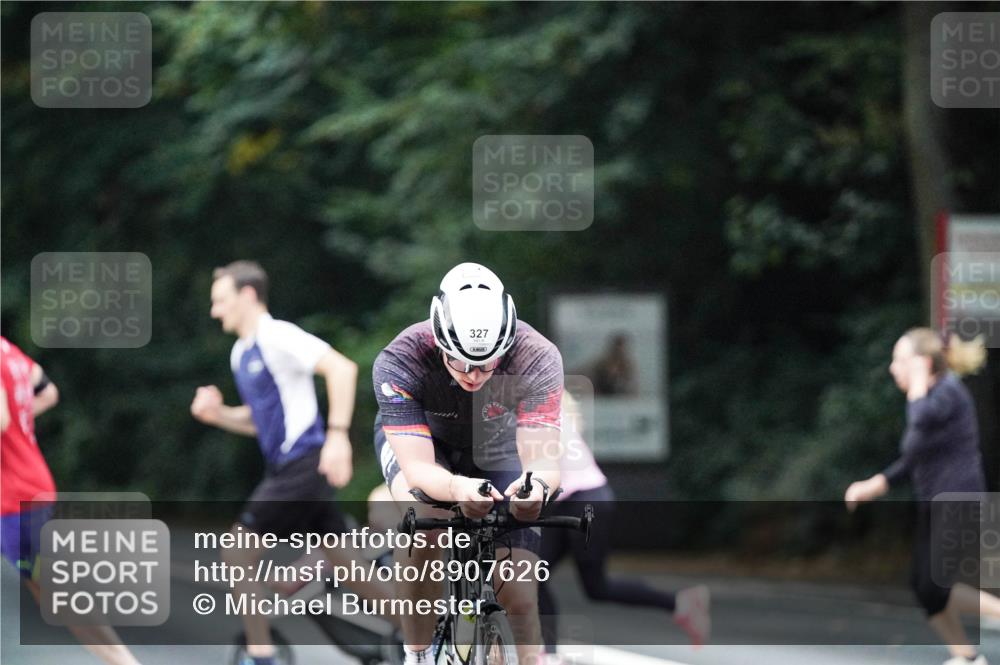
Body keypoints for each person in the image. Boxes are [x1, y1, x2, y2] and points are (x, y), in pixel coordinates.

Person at [190, 260, 390, 665]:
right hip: (286, 467)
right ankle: (422, 634)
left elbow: (341, 369)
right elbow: (259, 421)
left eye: (220, 301)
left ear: (248, 295)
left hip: (304, 463)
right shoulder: (241, 353)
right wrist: (219, 415)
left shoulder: (276, 336)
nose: (215, 311)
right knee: (348, 567)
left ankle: (261, 655)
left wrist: (337, 437)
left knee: (235, 552)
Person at [373, 262, 563, 665]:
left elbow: (543, 457)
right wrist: (458, 489)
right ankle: (418, 654)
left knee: (520, 593)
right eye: (459, 362)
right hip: (425, 441)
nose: (473, 375)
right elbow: (420, 471)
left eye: (487, 364)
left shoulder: (537, 356)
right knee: (423, 520)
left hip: (496, 445)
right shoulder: (401, 358)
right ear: (439, 341)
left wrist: (536, 490)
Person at [844, 329, 998, 665]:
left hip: (958, 498)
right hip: (935, 501)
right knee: (924, 587)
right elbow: (914, 455)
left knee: (937, 585)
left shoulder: (947, 392)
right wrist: (878, 483)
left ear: (923, 363)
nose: (891, 368)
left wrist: (917, 386)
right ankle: (967, 658)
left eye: (899, 360)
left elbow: (921, 419)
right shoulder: (932, 395)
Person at [1, 336, 145, 665]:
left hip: (16, 494)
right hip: (25, 486)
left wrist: (14, 424)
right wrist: (20, 427)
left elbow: (1, 419)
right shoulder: (10, 352)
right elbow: (48, 392)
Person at [536, 391, 710, 664]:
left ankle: (681, 604)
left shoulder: (533, 412)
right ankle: (548, 654)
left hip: (586, 501)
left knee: (594, 586)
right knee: (534, 575)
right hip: (572, 501)